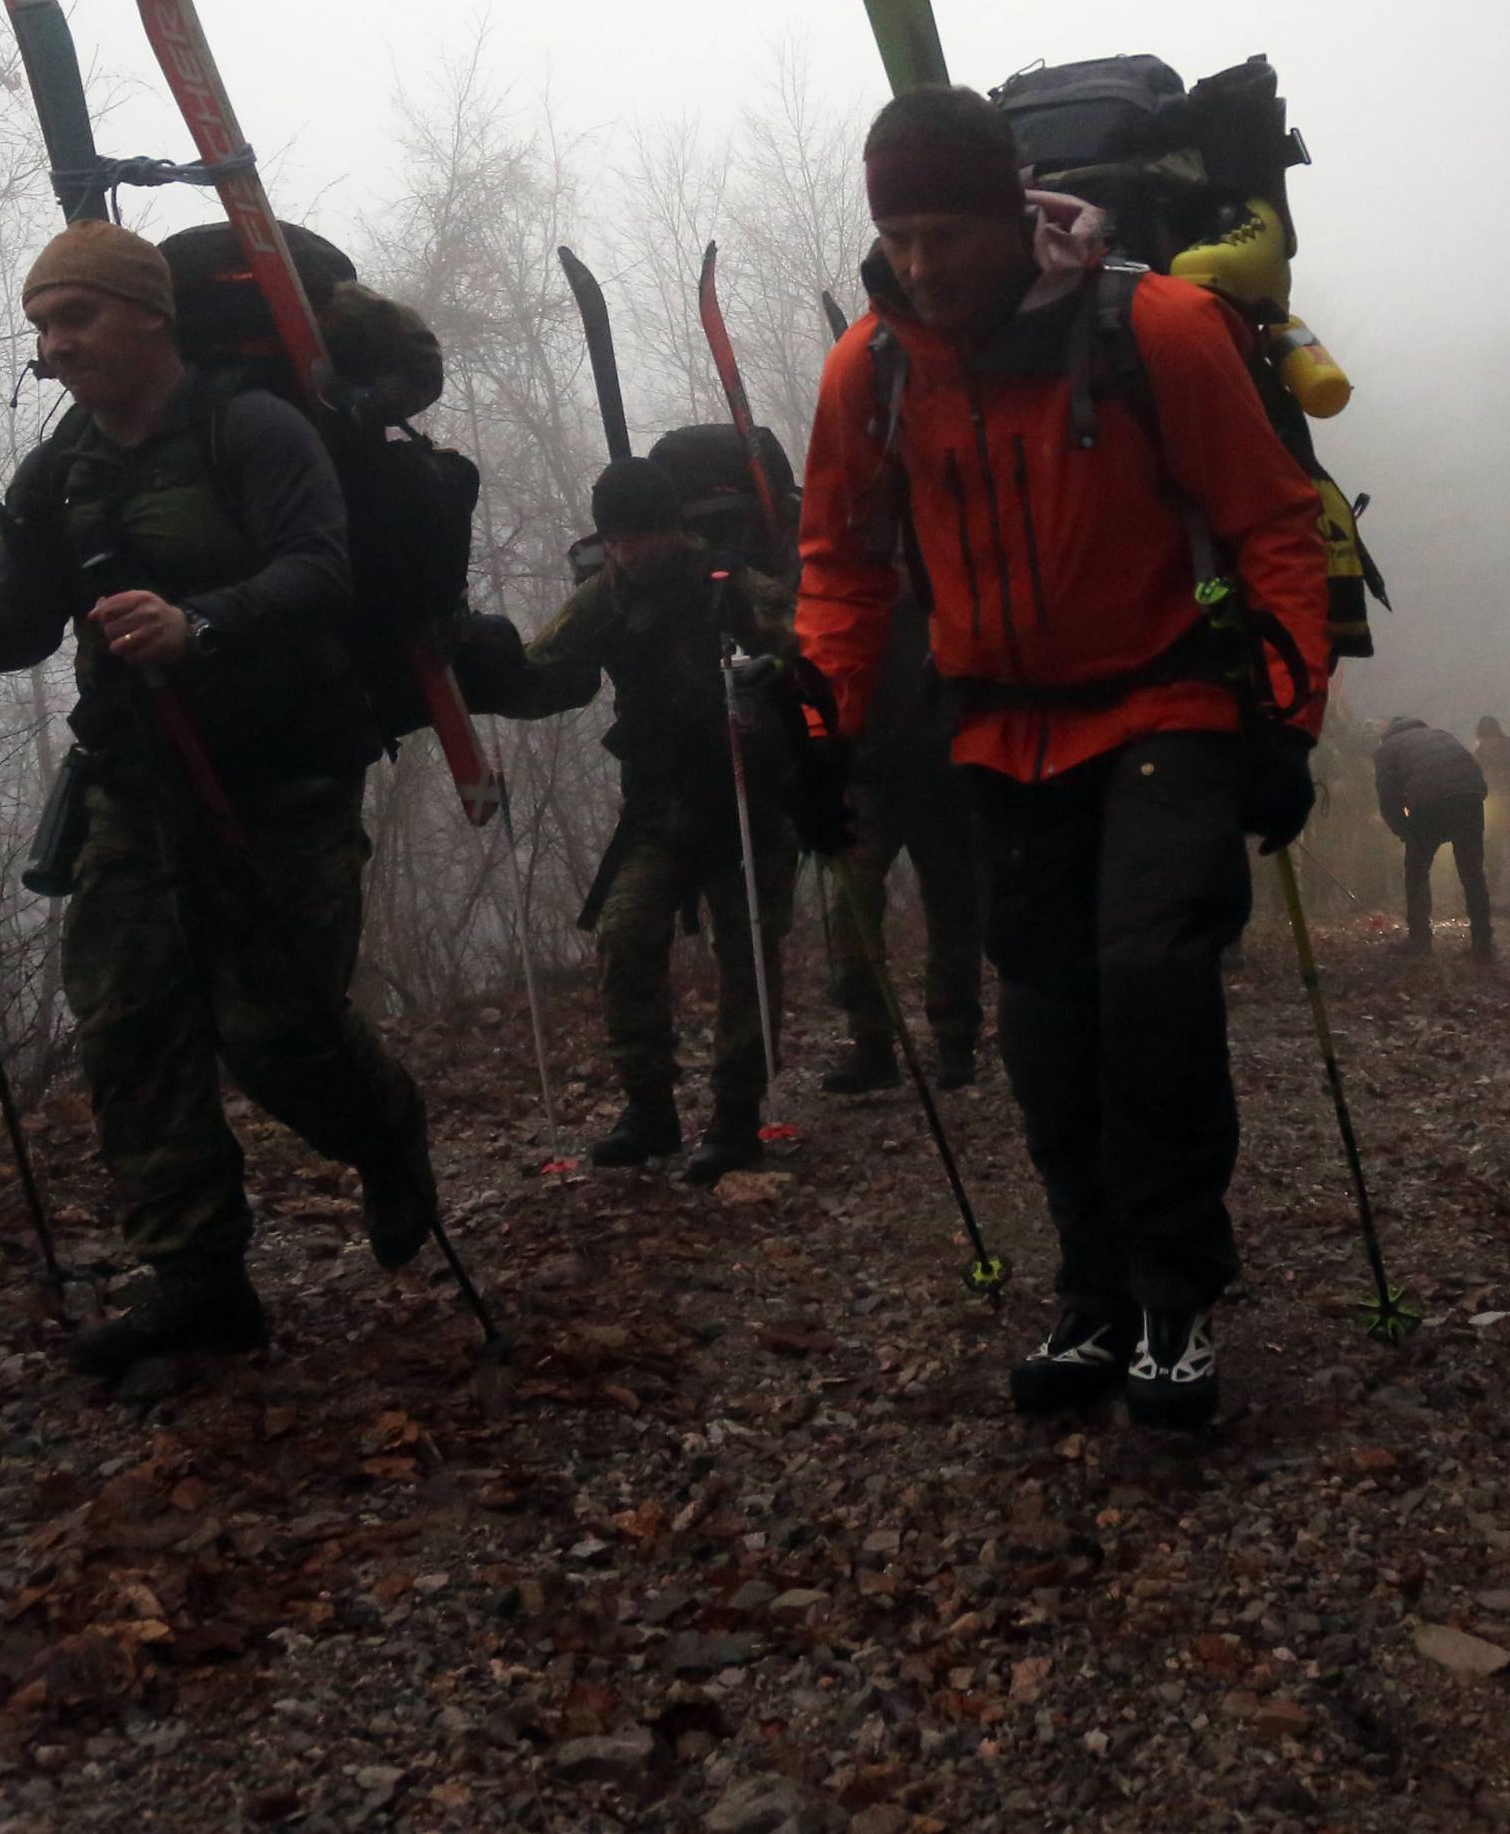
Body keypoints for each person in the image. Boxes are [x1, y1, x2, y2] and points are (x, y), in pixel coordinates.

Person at [796, 86, 1330, 1426]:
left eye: (945, 230)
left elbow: (1271, 522)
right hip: (999, 729)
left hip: (1167, 704)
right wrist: (822, 732)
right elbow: (841, 567)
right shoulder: (872, 367)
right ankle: (1091, 1289)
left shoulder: (1159, 326)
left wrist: (1286, 714)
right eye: (899, 234)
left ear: (1008, 209)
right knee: (1046, 1021)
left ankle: (1173, 1292)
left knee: (1148, 981)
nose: (921, 261)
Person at [0, 219, 436, 1379]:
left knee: (278, 1036)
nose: (56, 346)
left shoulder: (249, 429)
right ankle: (199, 1282)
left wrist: (197, 622)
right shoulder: (62, 470)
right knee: (127, 1028)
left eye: (77, 318)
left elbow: (321, 568)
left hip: (285, 781)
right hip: (137, 783)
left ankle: (388, 1132)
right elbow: (13, 625)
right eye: (42, 328)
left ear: (151, 316)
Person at [491, 456, 798, 1186]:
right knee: (624, 937)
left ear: (672, 530)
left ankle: (736, 1112)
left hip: (751, 799)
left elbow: (817, 649)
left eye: (642, 537)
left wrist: (775, 676)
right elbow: (542, 672)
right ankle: (649, 1107)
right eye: (618, 540)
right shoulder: (604, 599)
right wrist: (485, 668)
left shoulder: (731, 589)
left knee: (748, 955)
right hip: (660, 807)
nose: (630, 553)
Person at [821, 588, 984, 1095]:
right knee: (852, 904)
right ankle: (872, 1042)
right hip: (870, 773)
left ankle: (955, 1040)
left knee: (952, 902)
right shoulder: (848, 591)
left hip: (940, 774)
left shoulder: (944, 581)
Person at [1375, 717, 1495, 959]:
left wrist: (1404, 830)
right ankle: (1483, 943)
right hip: (1470, 797)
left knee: (1416, 871)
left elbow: (1388, 797)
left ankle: (1419, 940)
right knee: (1472, 873)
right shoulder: (1441, 734)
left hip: (1430, 801)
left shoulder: (1387, 748)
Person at [1476, 715, 1510, 893]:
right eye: (1484, 738)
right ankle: (1494, 883)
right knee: (1492, 846)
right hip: (1492, 806)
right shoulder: (1479, 753)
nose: (1487, 742)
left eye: (1489, 738)